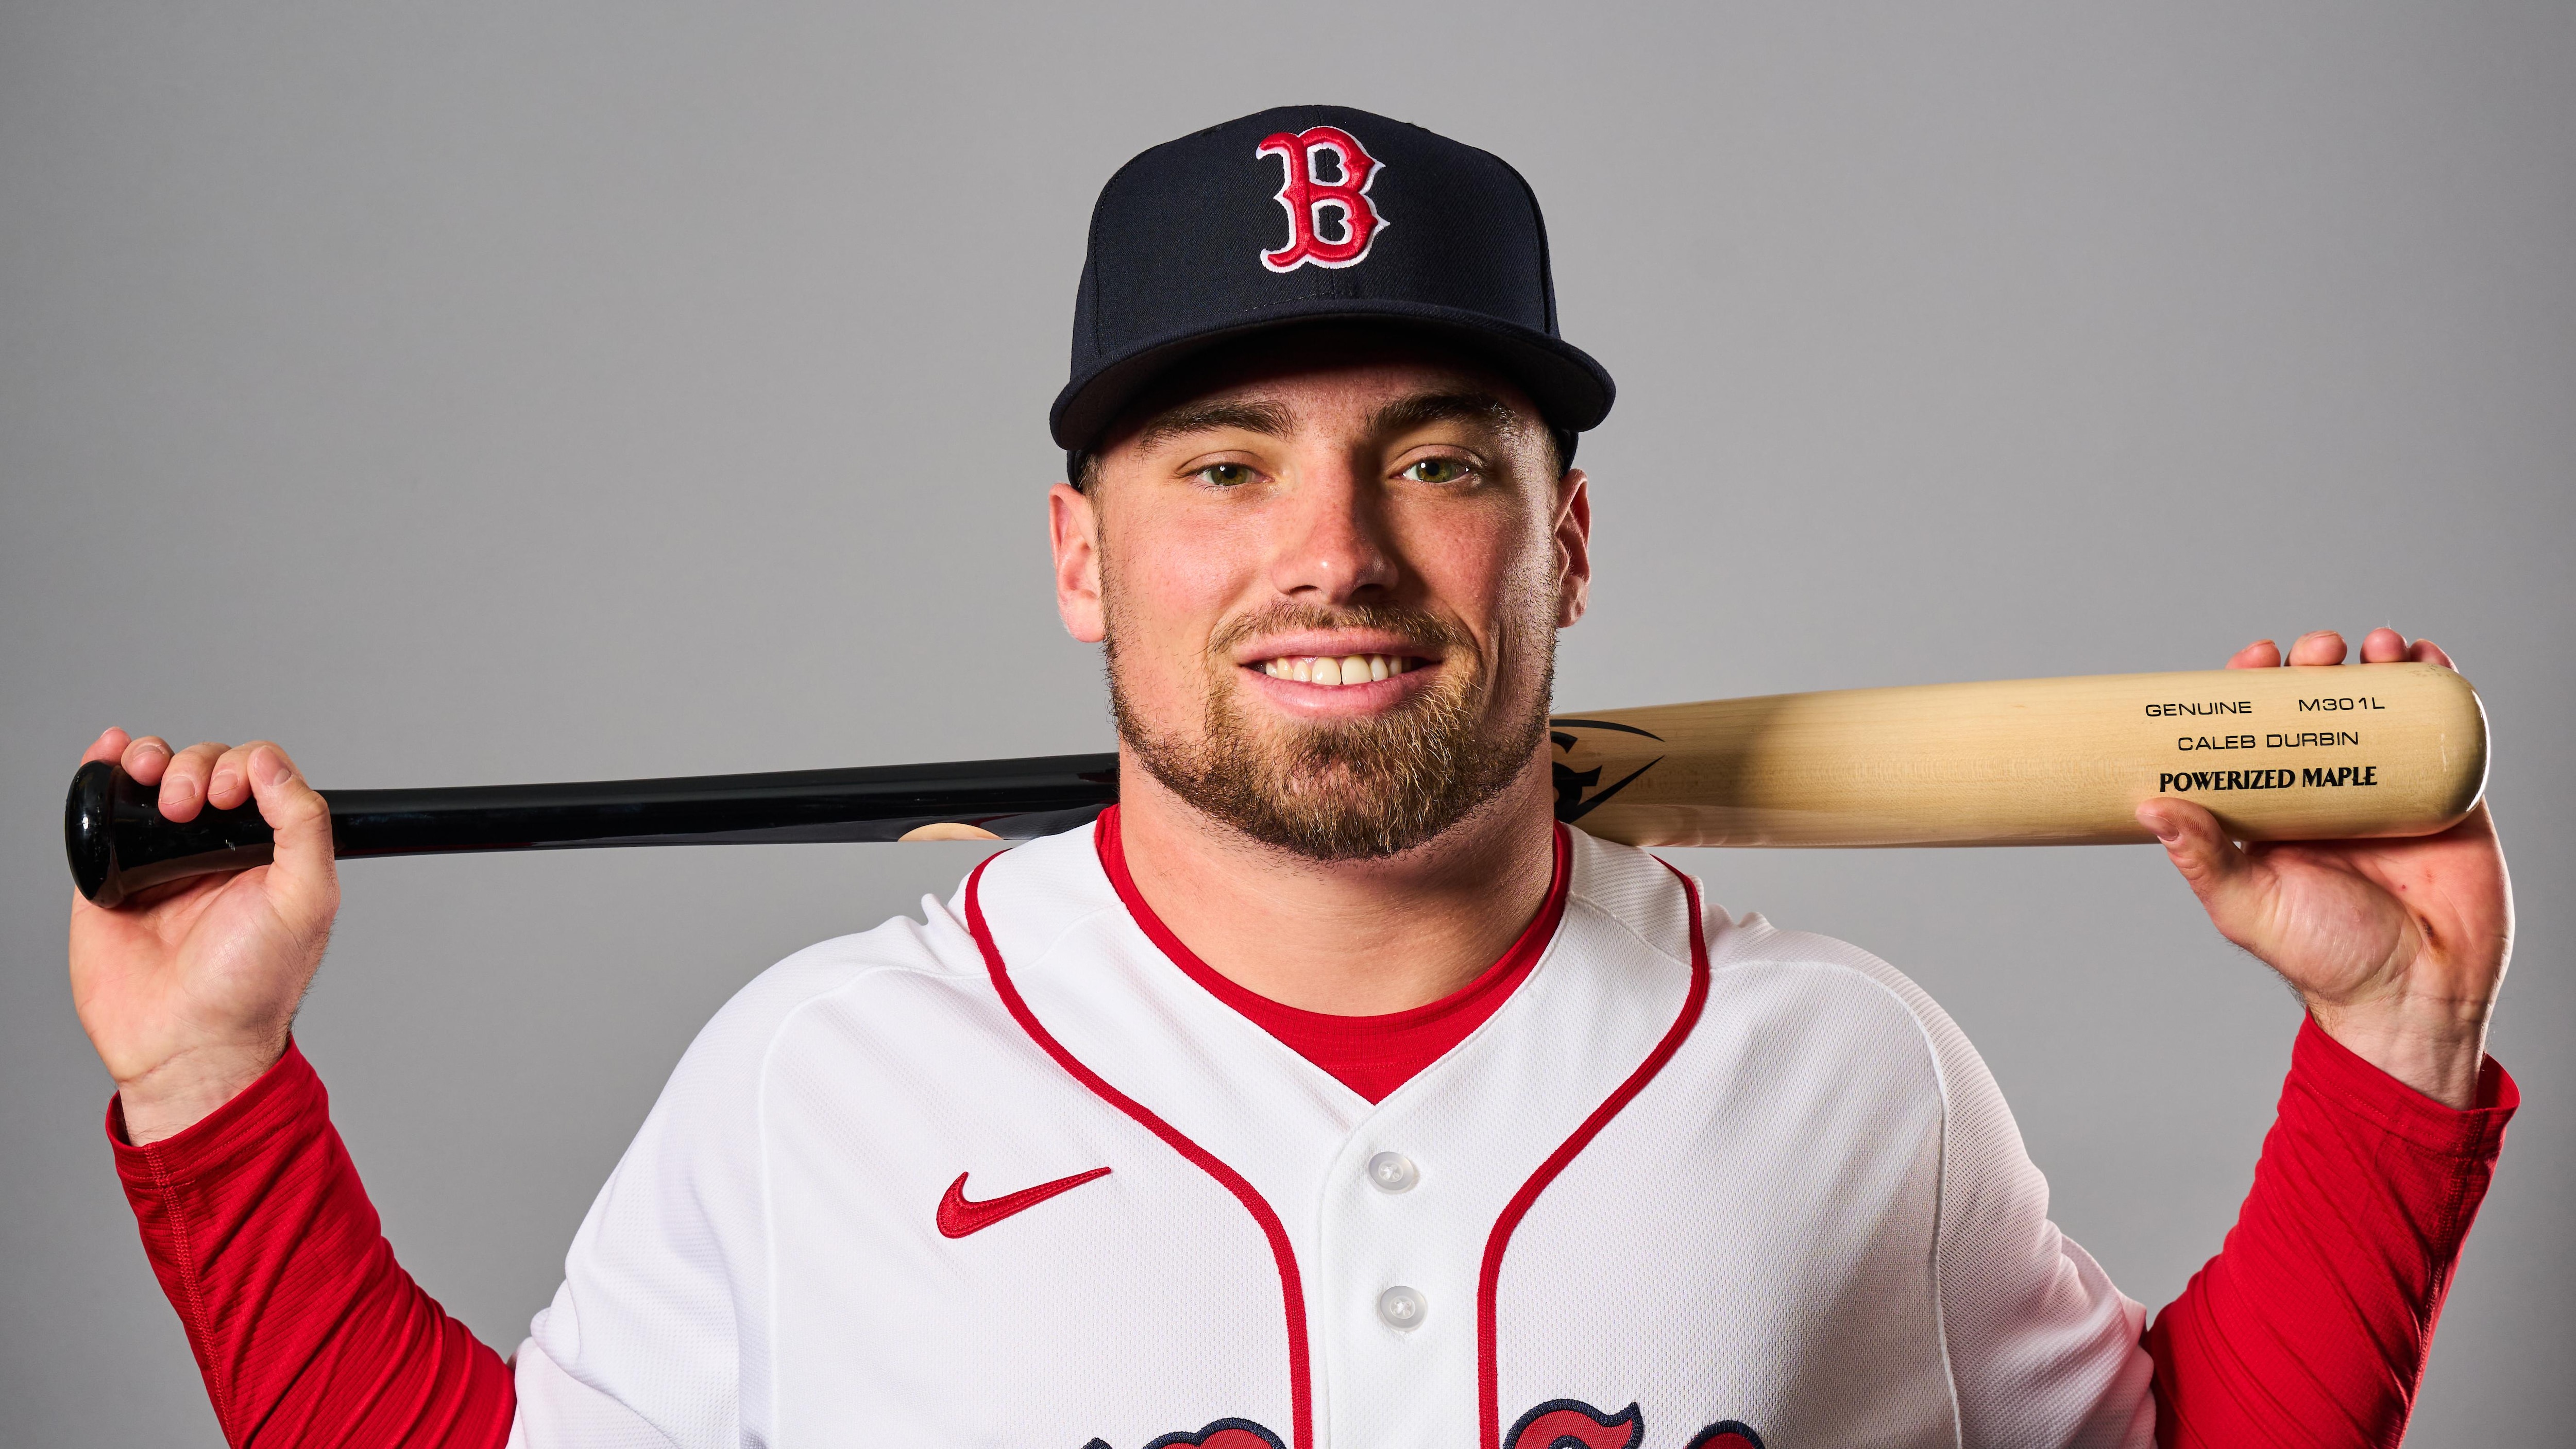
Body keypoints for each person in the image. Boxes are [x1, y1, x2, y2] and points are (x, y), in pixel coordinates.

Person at [72, 106, 2515, 1449]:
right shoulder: (821, 1082)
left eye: (1434, 457)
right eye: (1220, 466)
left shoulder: (1848, 1072)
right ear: (1078, 552)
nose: (1330, 555)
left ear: (1561, 532)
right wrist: (211, 1096)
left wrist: (2384, 1047)